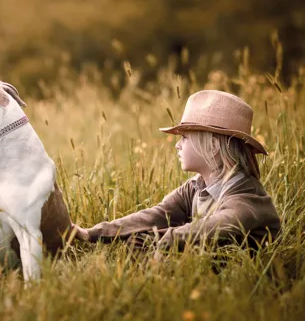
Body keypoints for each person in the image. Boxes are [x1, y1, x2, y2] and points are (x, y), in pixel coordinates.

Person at [72, 90, 281, 253]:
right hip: (209, 262)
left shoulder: (246, 196)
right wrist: (92, 233)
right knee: (140, 241)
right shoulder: (196, 187)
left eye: (185, 138)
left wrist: (166, 238)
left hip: (236, 278)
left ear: (214, 147)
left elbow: (223, 223)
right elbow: (157, 215)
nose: (177, 146)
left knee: (152, 243)